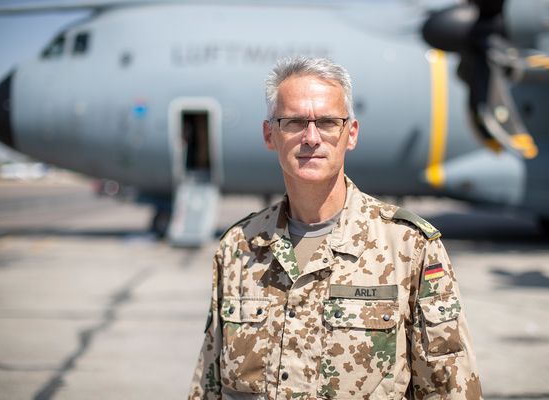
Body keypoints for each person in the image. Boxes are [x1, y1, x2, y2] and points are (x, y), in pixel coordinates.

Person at [188, 56, 482, 399]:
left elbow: (449, 388)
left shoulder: (408, 247)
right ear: (270, 135)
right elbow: (208, 385)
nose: (311, 138)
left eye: (328, 122)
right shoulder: (239, 248)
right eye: (294, 122)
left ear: (350, 134)